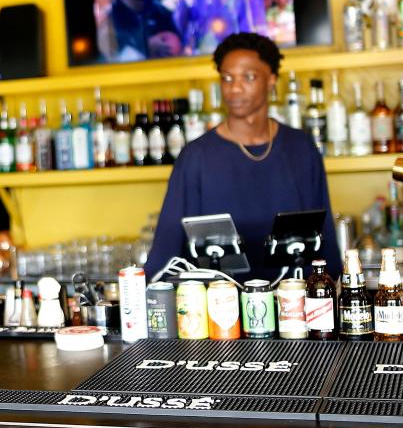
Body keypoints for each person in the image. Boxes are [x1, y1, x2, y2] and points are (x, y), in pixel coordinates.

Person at [145, 32, 339, 281]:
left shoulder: (300, 147)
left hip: (293, 306)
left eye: (248, 77)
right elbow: (167, 253)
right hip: (217, 309)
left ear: (271, 80)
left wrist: (334, 288)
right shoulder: (196, 157)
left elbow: (325, 240)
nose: (235, 88)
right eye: (227, 78)